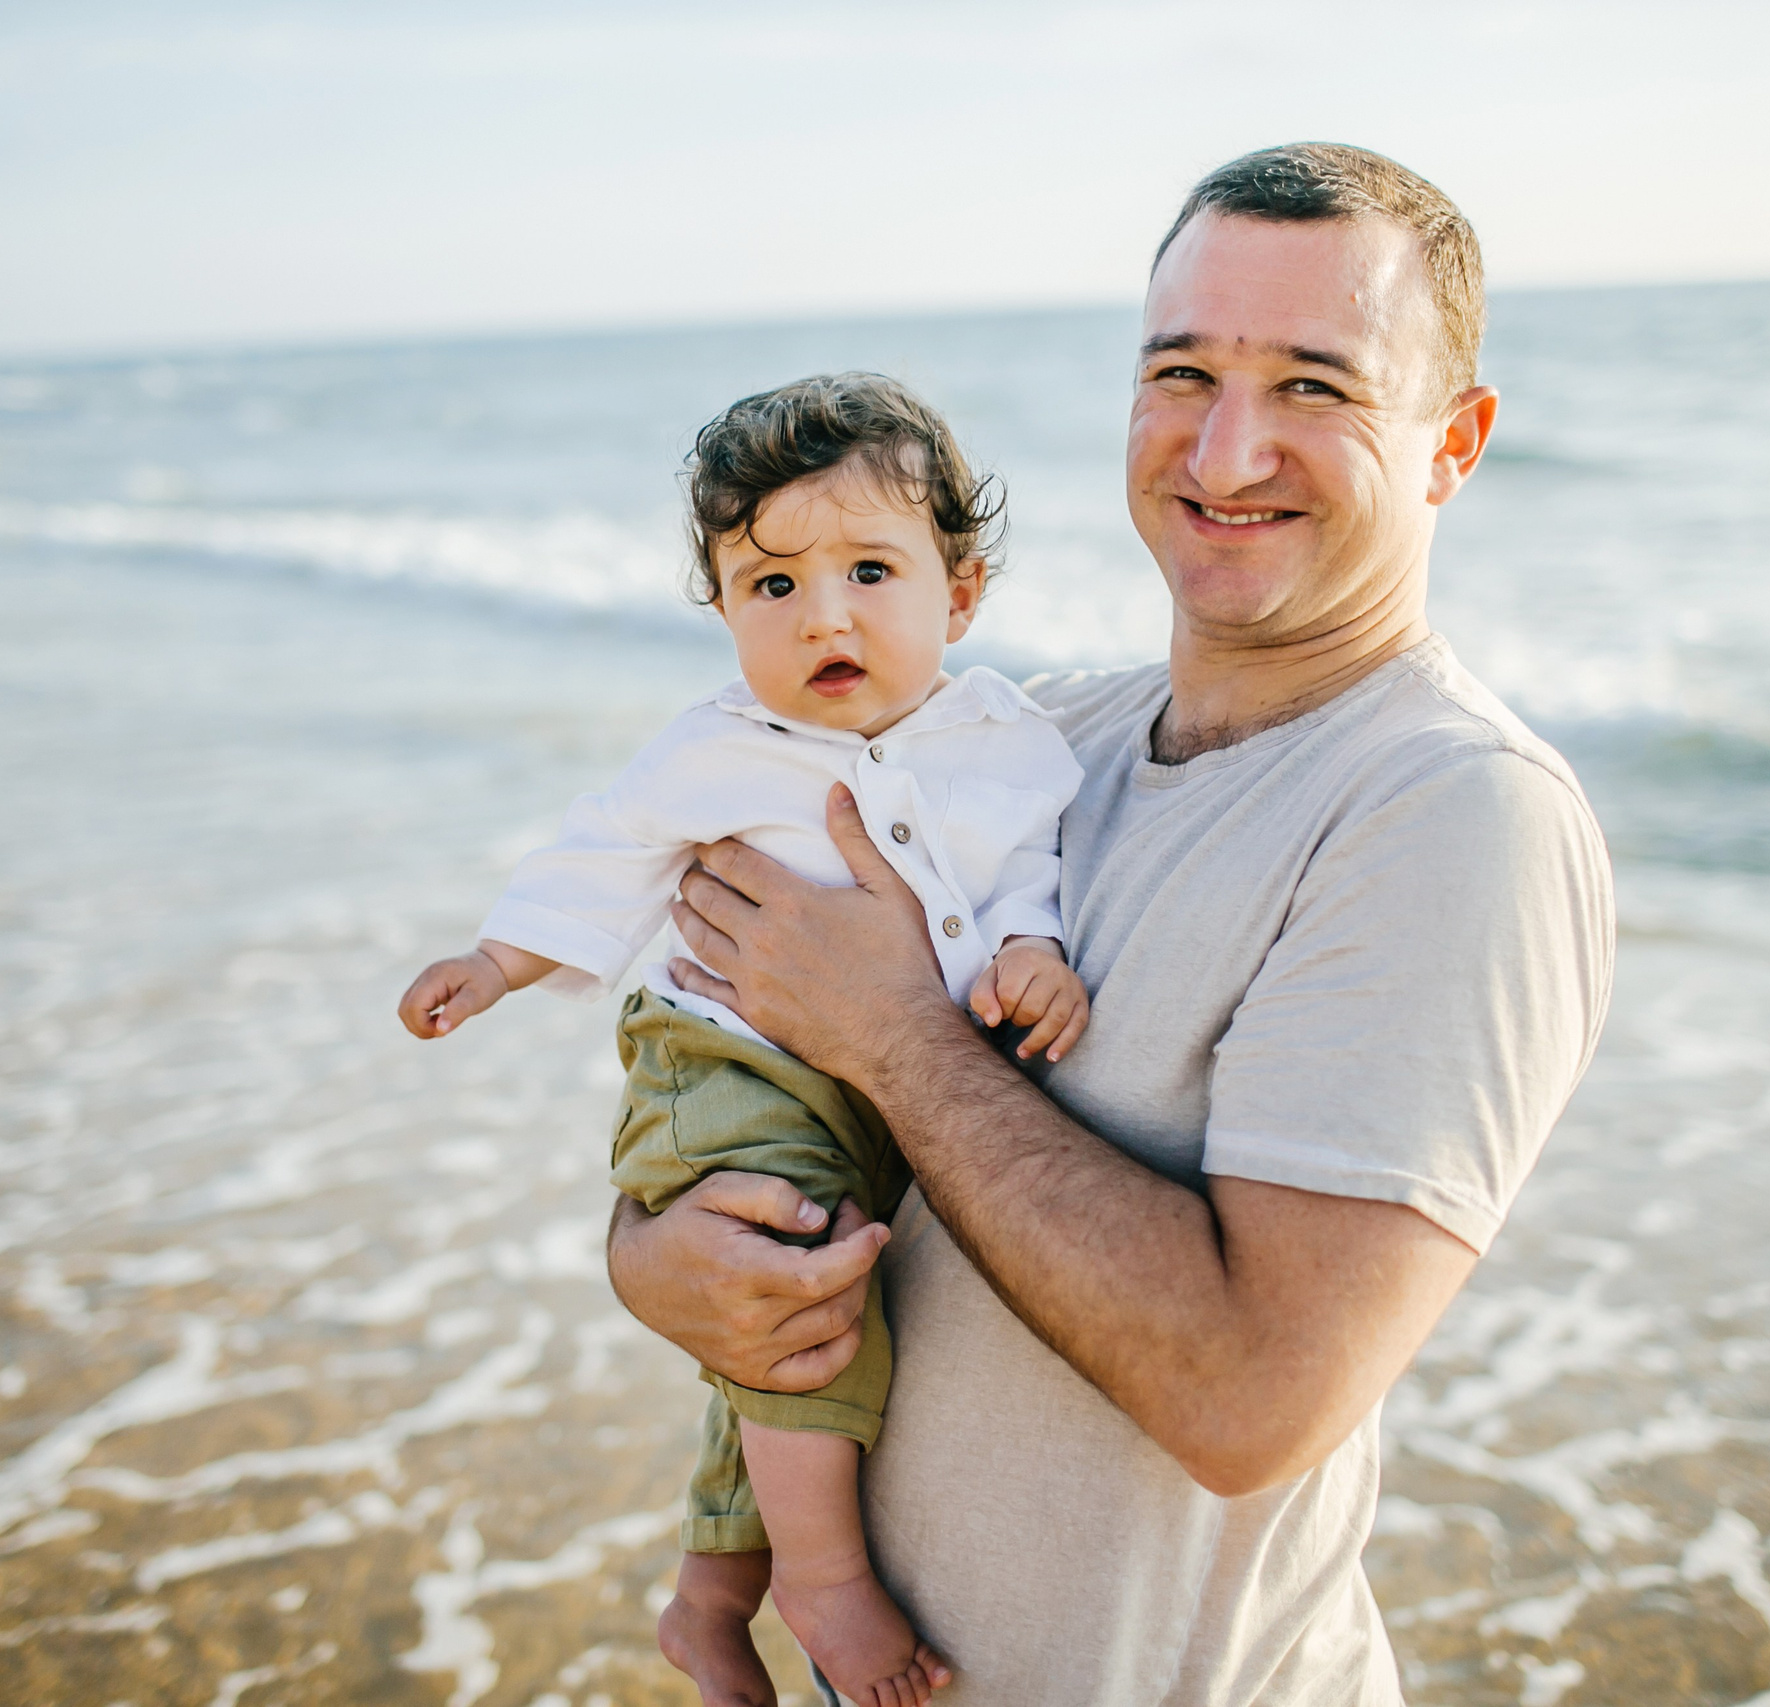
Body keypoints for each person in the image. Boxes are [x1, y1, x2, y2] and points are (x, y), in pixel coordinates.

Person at [606, 143, 1617, 1704]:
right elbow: (726, 1063)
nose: (1225, 448)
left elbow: (1249, 1399)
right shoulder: (1018, 737)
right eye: (1182, 372)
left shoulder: (1451, 811)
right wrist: (654, 1259)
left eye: (1315, 388)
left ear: (1453, 444)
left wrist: (891, 1032)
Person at [397, 373, 1088, 1707]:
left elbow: (1025, 877)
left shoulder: (1009, 739)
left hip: (872, 1091)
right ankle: (826, 1585)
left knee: (770, 1332)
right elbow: (601, 855)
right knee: (803, 1272)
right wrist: (496, 959)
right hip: (725, 1060)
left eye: (869, 570)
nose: (822, 613)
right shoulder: (714, 748)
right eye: (771, 588)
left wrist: (1032, 956)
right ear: (723, 612)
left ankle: (711, 1599)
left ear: (962, 591)